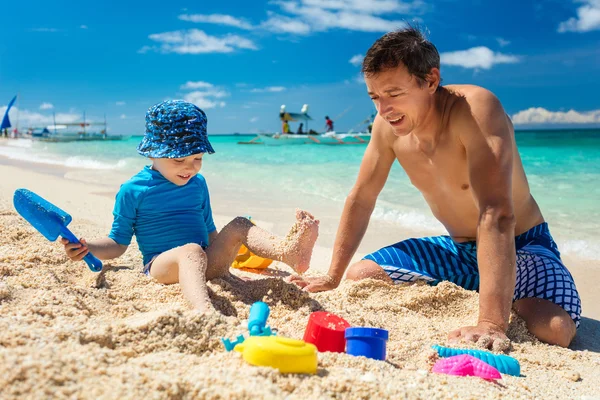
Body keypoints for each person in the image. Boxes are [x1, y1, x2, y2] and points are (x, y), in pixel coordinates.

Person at [290, 27, 580, 348]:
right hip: (458, 250)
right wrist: (332, 276)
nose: (383, 110)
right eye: (375, 97)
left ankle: (497, 293)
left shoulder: (476, 110)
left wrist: (491, 323)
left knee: (553, 329)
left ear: (430, 80)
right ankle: (484, 286)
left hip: (520, 244)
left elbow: (496, 212)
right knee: (361, 275)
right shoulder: (387, 129)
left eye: (394, 94)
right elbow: (362, 198)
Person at [62, 100, 319, 313]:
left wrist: (226, 268)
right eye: (179, 160)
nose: (190, 167)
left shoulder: (198, 184)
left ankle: (290, 253)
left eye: (197, 158)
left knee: (239, 223)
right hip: (163, 266)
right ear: (152, 153)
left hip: (207, 261)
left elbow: (210, 233)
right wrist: (88, 248)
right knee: (191, 251)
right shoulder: (133, 190)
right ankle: (202, 310)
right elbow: (117, 244)